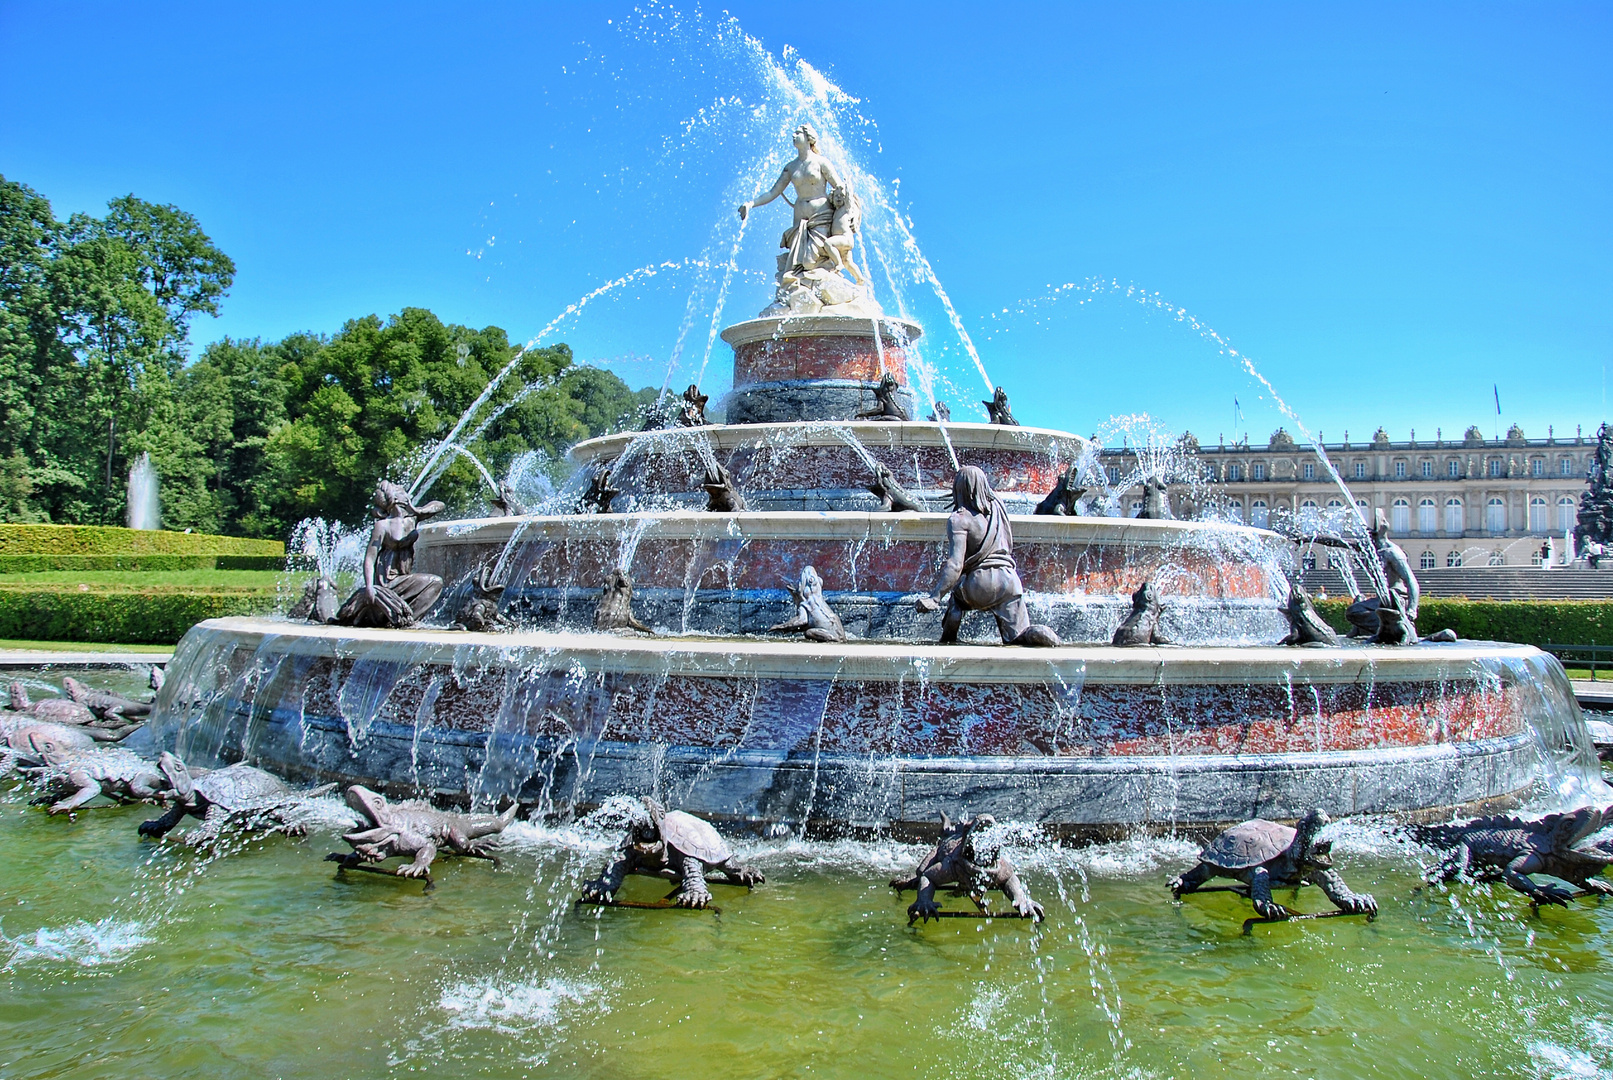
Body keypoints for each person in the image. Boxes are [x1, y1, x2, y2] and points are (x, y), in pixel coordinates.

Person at [915, 467, 1059, 646]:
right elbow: (987, 492)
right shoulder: (998, 506)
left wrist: (934, 598)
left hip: (979, 583)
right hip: (1010, 582)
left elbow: (955, 565)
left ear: (957, 489)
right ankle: (1040, 633)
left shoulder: (959, 519)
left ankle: (947, 643)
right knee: (1017, 638)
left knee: (956, 600)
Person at [334, 481, 447, 628]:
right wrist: (369, 586)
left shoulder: (412, 519)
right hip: (386, 579)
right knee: (435, 581)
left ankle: (408, 619)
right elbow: (369, 558)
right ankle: (402, 620)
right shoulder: (382, 526)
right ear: (394, 499)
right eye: (401, 492)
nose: (406, 494)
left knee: (434, 583)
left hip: (403, 577)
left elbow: (440, 505)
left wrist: (417, 511)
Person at [739, 124, 846, 278]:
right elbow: (773, 192)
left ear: (808, 137)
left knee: (813, 260)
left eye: (798, 133)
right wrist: (751, 204)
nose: (793, 135)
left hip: (821, 215)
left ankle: (830, 278)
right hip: (799, 218)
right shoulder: (790, 167)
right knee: (798, 264)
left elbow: (839, 187)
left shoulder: (821, 162)